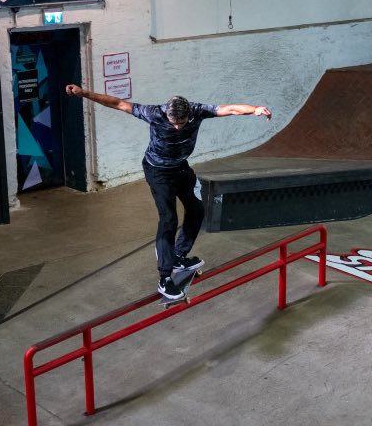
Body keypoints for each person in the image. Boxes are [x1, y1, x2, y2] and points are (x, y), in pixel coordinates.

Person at [65, 85, 272, 300]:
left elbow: (230, 109)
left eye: (181, 123)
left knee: (197, 211)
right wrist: (84, 93)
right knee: (168, 219)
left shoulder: (198, 111)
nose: (177, 127)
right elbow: (118, 103)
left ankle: (178, 256)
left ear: (188, 114)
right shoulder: (153, 113)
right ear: (168, 114)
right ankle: (164, 278)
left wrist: (255, 109)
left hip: (180, 168)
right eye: (173, 123)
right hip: (157, 172)